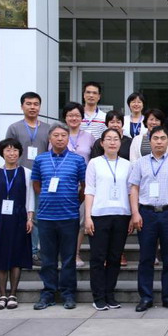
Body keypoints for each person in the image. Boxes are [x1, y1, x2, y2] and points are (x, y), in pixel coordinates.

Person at [129, 126, 168, 312]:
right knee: (146, 257)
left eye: (163, 138)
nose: (159, 142)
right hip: (146, 213)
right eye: (155, 138)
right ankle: (145, 297)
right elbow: (134, 188)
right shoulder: (140, 163)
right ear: (150, 140)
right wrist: (135, 213)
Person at [31, 123, 87, 310]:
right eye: (56, 135)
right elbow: (36, 184)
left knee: (69, 258)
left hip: (69, 216)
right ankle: (48, 293)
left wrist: (74, 202)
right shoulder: (40, 159)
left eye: (64, 135)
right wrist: (46, 197)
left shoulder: (77, 160)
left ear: (68, 138)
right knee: (48, 259)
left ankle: (68, 293)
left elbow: (84, 186)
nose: (60, 138)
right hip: (46, 216)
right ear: (50, 138)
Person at [84, 128, 132, 310]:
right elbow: (89, 190)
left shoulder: (127, 165)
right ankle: (98, 296)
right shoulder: (94, 163)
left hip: (121, 215)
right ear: (102, 143)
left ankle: (110, 294)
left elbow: (130, 191)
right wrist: (87, 216)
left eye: (116, 139)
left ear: (120, 142)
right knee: (98, 257)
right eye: (109, 139)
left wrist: (132, 215)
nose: (112, 142)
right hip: (99, 215)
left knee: (114, 257)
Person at [0, 138, 35, 310]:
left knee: (17, 254)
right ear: (2, 153)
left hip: (19, 217)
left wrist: (30, 218)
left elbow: (30, 197)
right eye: (8, 150)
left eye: (15, 150)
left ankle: (13, 294)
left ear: (20, 152)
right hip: (0, 218)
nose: (11, 153)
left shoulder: (27, 173)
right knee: (0, 254)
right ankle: (2, 295)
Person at [5, 92, 50, 266]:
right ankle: (16, 250)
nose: (32, 107)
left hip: (40, 179)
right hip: (18, 178)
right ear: (22, 106)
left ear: (40, 106)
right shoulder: (14, 128)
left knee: (36, 216)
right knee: (17, 215)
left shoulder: (48, 129)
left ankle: (34, 252)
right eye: (28, 104)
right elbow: (8, 152)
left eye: (36, 104)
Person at [62, 102, 96, 268]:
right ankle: (65, 254)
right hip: (64, 184)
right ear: (65, 118)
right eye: (70, 115)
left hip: (84, 184)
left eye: (77, 115)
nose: (73, 118)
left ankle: (75, 254)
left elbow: (94, 159)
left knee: (81, 220)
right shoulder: (59, 135)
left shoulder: (89, 137)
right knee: (65, 219)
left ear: (82, 117)